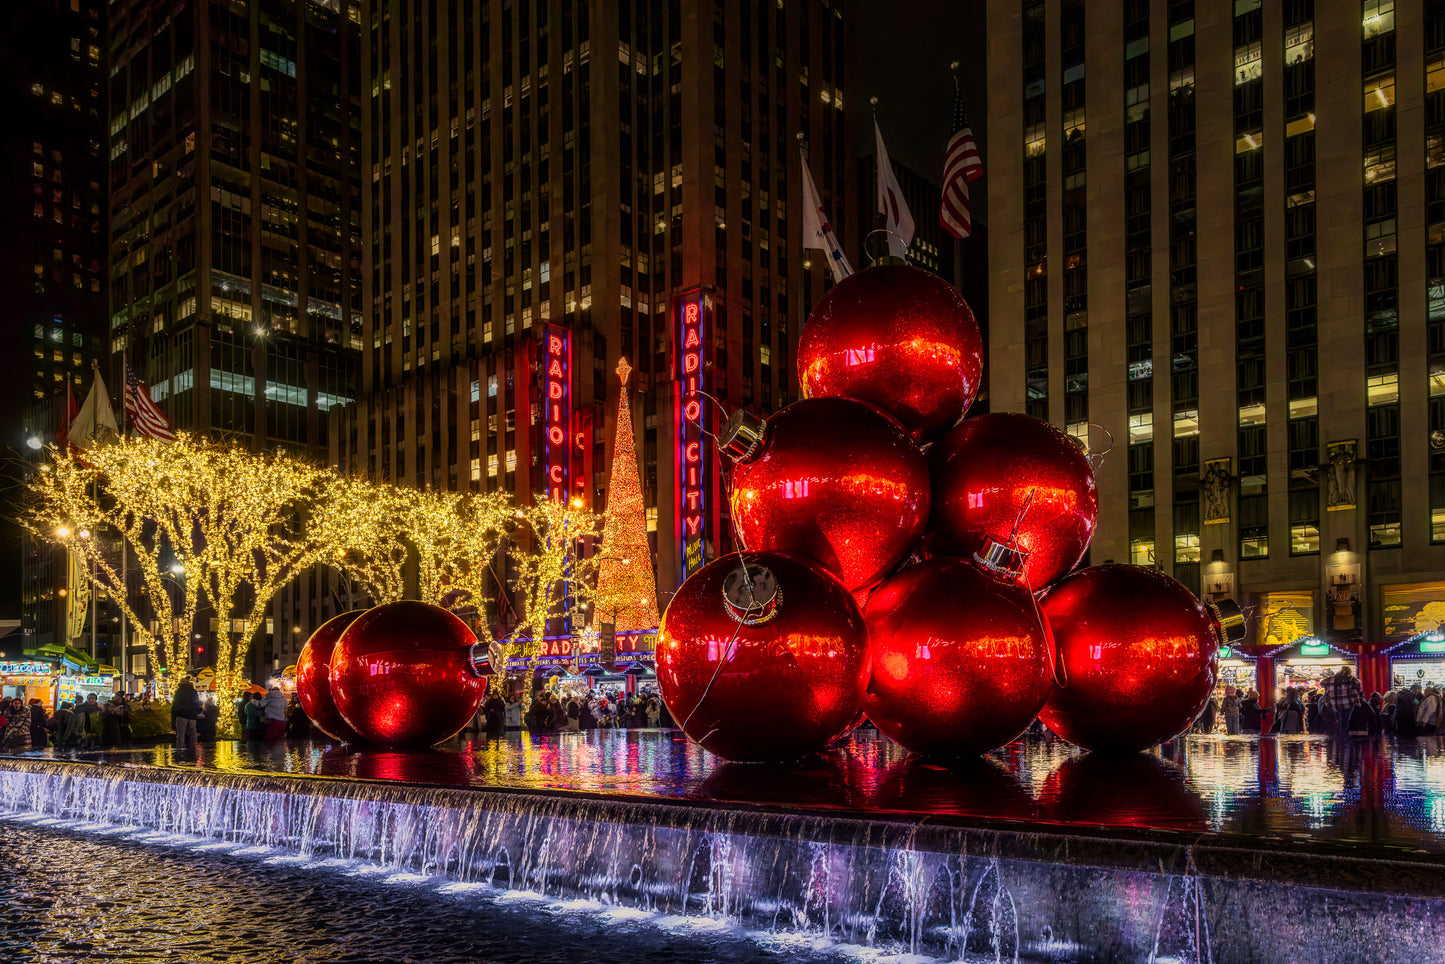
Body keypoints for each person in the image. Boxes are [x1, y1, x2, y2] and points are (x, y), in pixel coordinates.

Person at [1322, 665, 1364, 739]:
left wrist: (1329, 689)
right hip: (1347, 703)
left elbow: (1322, 683)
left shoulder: (1331, 679)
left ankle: (1338, 736)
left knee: (1338, 719)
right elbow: (1358, 685)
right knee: (1346, 720)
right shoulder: (1351, 679)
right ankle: (1344, 736)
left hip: (1334, 704)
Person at [171, 679, 204, 753]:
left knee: (181, 734)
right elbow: (197, 702)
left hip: (181, 715)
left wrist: (174, 714)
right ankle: (193, 748)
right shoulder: (193, 691)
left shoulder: (179, 691)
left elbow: (175, 704)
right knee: (193, 733)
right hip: (192, 715)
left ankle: (180, 749)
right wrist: (197, 711)